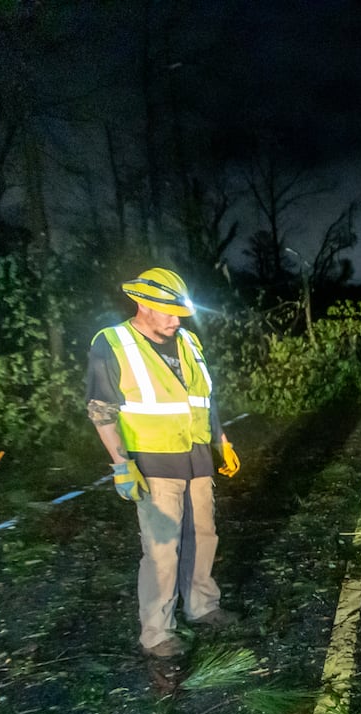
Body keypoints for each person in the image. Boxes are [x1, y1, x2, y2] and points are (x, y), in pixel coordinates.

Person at [85, 267, 241, 661]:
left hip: (197, 457)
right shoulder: (113, 342)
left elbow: (205, 396)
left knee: (204, 537)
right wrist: (121, 464)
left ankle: (203, 606)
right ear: (141, 304)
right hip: (153, 463)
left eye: (180, 313)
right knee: (161, 550)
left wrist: (221, 440)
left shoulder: (188, 340)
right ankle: (156, 633)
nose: (176, 321)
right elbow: (102, 411)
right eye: (167, 312)